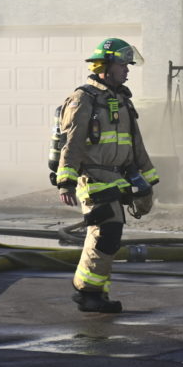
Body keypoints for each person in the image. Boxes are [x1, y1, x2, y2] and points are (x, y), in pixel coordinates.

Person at [56, 38, 158, 313]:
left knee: (110, 235)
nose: (127, 69)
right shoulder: (83, 99)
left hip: (117, 178)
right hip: (92, 178)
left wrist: (147, 178)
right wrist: (65, 181)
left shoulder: (122, 100)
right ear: (105, 66)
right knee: (105, 232)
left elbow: (135, 143)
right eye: (122, 64)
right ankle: (87, 293)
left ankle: (96, 292)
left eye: (128, 65)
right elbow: (72, 143)